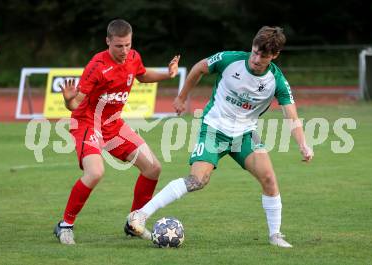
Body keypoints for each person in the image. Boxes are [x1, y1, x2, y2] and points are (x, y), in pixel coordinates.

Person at [127, 26, 313, 248]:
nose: (256, 58)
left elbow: (291, 115)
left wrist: (303, 144)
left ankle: (275, 235)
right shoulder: (230, 60)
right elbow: (198, 68)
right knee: (197, 180)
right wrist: (182, 97)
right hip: (214, 128)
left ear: (274, 56)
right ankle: (140, 215)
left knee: (269, 180)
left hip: (245, 134)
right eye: (254, 52)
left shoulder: (277, 81)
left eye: (263, 56)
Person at [53, 19, 180, 245]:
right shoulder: (97, 66)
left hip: (113, 124)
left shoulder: (133, 57)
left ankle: (134, 222)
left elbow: (141, 75)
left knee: (153, 168)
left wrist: (167, 75)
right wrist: (67, 99)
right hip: (87, 122)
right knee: (95, 173)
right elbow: (75, 106)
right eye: (118, 46)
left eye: (128, 45)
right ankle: (65, 225)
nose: (124, 51)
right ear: (108, 41)